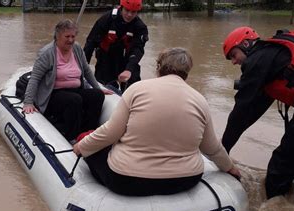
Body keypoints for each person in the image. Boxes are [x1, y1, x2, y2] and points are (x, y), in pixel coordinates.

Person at [73, 47, 241, 196]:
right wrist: (230, 168)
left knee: (94, 151)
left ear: (159, 68)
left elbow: (110, 133)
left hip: (127, 180)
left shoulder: (137, 89)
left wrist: (82, 146)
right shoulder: (200, 100)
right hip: (185, 179)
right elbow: (211, 148)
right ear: (187, 72)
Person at [222, 26, 294, 203]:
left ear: (246, 43)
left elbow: (241, 112)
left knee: (281, 165)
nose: (234, 62)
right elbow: (253, 111)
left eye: (233, 55)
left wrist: (223, 150)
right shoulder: (274, 56)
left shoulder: (257, 60)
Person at [23, 19, 113, 142]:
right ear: (58, 36)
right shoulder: (47, 53)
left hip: (75, 89)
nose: (70, 40)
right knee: (74, 100)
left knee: (96, 96)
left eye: (73, 36)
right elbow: (35, 78)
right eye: (67, 36)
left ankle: (89, 133)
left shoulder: (76, 49)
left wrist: (98, 88)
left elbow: (86, 71)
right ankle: (71, 137)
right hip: (53, 94)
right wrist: (28, 102)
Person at [83, 0, 149, 92]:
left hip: (127, 60)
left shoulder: (140, 27)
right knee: (103, 87)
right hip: (106, 59)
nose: (129, 15)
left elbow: (137, 49)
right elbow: (91, 43)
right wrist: (83, 67)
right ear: (121, 8)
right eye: (127, 10)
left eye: (133, 12)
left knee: (134, 86)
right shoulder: (106, 19)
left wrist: (129, 70)